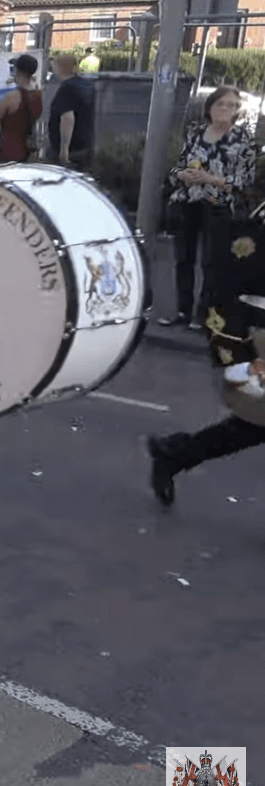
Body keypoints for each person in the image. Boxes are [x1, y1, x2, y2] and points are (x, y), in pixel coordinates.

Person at [146, 204, 265, 502]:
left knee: (253, 425)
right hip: (246, 322)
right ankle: (174, 454)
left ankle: (174, 455)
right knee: (253, 422)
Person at [161, 86, 255, 330]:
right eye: (220, 104)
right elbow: (177, 167)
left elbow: (245, 180)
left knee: (212, 263)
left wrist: (211, 180)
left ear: (237, 111)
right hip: (188, 201)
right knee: (184, 259)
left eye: (231, 105)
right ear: (210, 108)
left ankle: (202, 315)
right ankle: (182, 310)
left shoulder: (242, 140)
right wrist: (182, 175)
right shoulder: (196, 133)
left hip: (218, 206)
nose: (225, 109)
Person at [0, 55, 43, 163]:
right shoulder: (38, 95)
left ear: (19, 72)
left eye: (14, 69)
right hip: (30, 153)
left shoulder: (12, 97)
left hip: (10, 153)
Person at [46, 53, 96, 171]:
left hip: (70, 150)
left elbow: (67, 117)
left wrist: (64, 150)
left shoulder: (67, 88)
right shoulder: (87, 85)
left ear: (60, 68)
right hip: (85, 145)